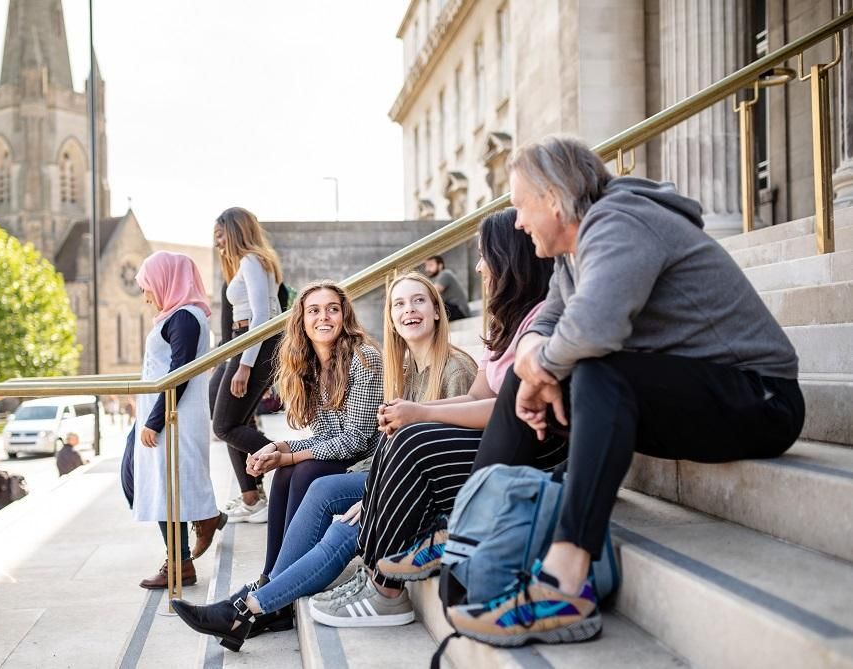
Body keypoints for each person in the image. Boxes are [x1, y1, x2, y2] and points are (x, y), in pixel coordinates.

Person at [448, 136, 804, 647]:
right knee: (552, 370)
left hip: (760, 398)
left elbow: (593, 330)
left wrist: (537, 365)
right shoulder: (574, 252)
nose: (520, 223)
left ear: (554, 197)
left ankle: (564, 585)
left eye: (521, 208)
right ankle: (472, 537)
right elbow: (549, 317)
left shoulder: (621, 222)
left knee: (594, 369)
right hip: (690, 394)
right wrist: (531, 359)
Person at [172, 273, 475, 649]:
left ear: (437, 311)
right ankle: (266, 592)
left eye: (418, 302)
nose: (408, 311)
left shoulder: (421, 367)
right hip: (391, 479)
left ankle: (258, 603)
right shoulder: (405, 368)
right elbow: (367, 443)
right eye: (399, 304)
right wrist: (282, 448)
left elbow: (386, 446)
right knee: (293, 475)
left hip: (407, 487)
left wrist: (377, 496)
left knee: (316, 483)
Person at [311, 208, 562, 627]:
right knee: (401, 431)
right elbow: (478, 395)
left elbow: (509, 407)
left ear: (509, 257)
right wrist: (409, 412)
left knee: (413, 439)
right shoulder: (505, 323)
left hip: (534, 444)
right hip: (502, 433)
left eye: (485, 255)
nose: (480, 266)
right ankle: (375, 572)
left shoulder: (541, 320)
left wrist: (422, 413)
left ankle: (386, 590)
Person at [236, 282, 382, 601]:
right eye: (314, 310)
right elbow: (326, 437)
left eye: (333, 309)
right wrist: (278, 448)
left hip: (370, 463)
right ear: (301, 319)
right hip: (348, 456)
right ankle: (269, 576)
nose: (323, 317)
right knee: (287, 471)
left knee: (301, 471)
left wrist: (289, 457)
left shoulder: (364, 359)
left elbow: (355, 440)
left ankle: (280, 586)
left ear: (344, 315)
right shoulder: (310, 367)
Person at [119, 251, 227, 590]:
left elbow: (178, 373)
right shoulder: (177, 316)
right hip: (163, 414)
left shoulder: (185, 317)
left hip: (170, 418)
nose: (146, 295)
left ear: (166, 281)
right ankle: (203, 520)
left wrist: (154, 421)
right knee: (144, 480)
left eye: (148, 287)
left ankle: (181, 561)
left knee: (164, 487)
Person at [210, 207, 284, 524]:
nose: (217, 243)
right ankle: (252, 496)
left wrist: (244, 365)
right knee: (233, 419)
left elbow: (263, 317)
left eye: (220, 235)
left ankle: (290, 460)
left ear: (235, 231)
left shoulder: (252, 261)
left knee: (224, 426)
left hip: (254, 345)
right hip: (246, 344)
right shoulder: (249, 262)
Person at [423, 255, 471, 321]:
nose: (427, 269)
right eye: (426, 266)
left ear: (440, 266)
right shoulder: (439, 277)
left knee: (431, 308)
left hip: (459, 310)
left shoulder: (445, 274)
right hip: (453, 309)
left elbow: (433, 293)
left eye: (430, 265)